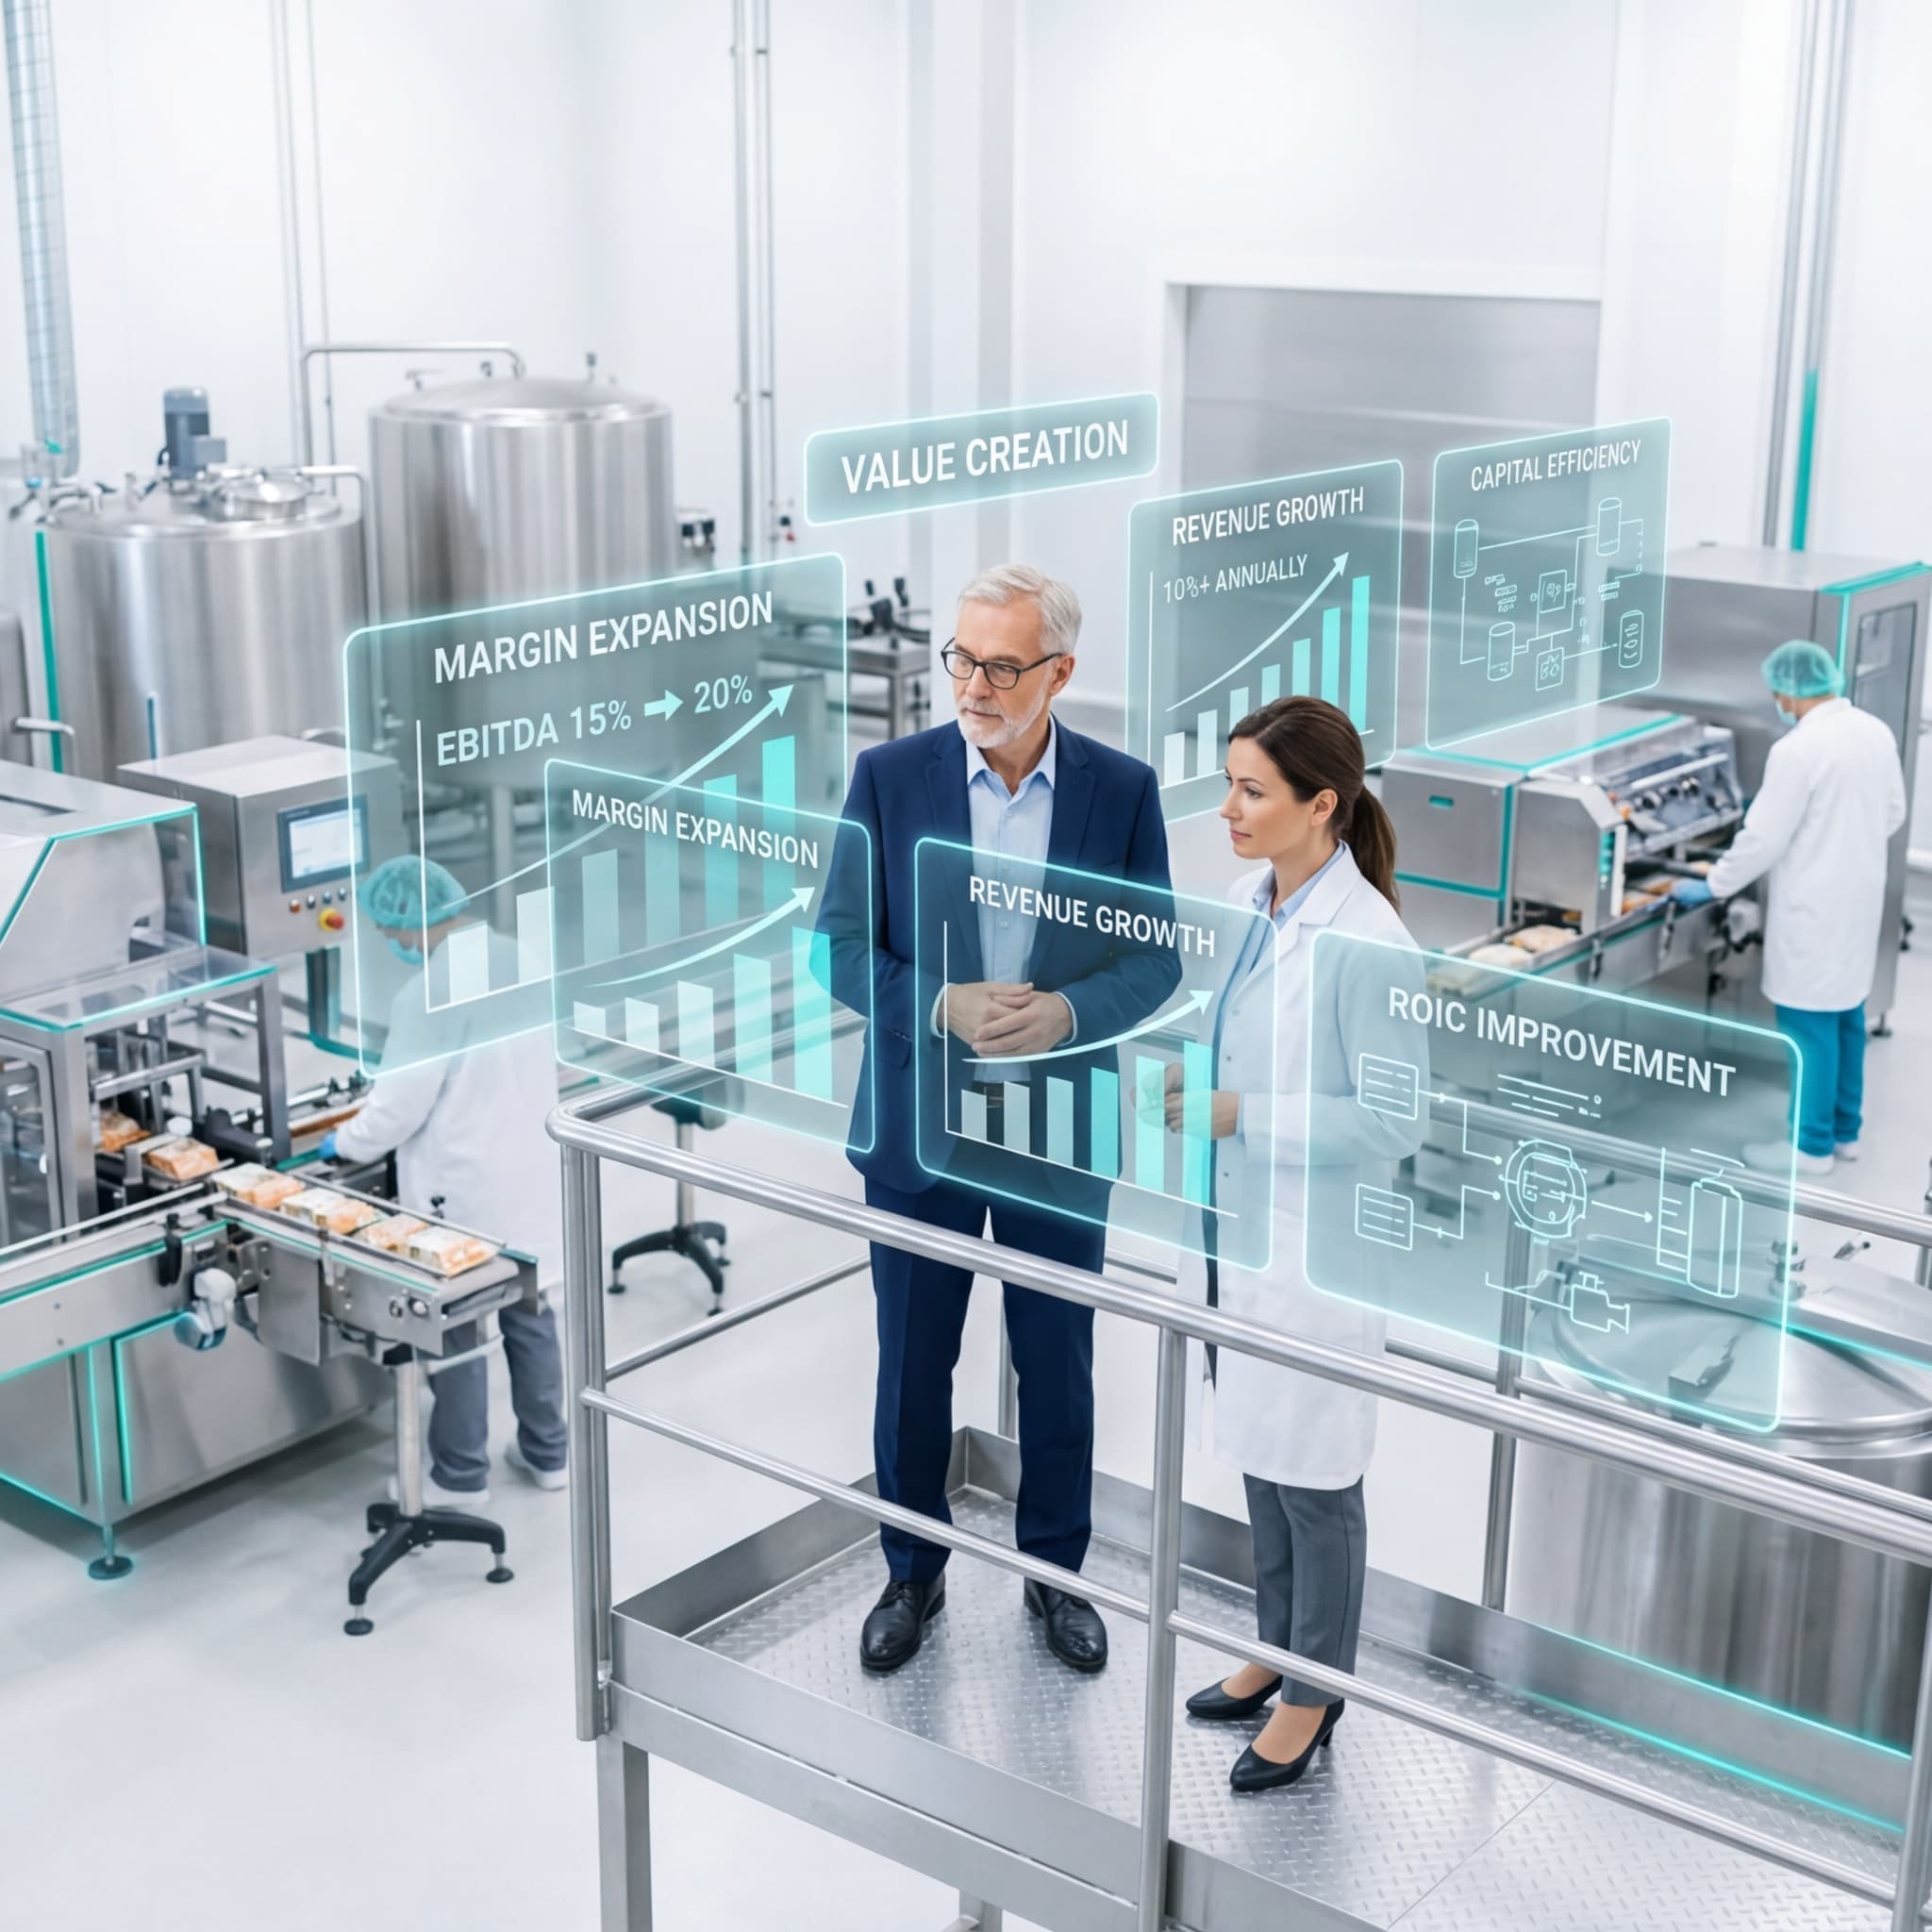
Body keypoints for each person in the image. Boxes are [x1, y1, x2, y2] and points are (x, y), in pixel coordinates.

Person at [821, 563, 1176, 1676]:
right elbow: (837, 943)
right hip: (918, 1134)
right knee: (910, 1368)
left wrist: (1069, 1012)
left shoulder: (1121, 791)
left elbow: (1154, 958)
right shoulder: (889, 778)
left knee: (1056, 1366)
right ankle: (909, 1571)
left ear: (1058, 673)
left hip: (1054, 1134)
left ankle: (1054, 1575)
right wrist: (938, 1002)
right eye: (962, 660)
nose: (972, 686)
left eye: (1001, 666)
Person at [1170, 696, 1420, 1794]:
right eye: (1227, 785)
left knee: (1314, 1480)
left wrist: (1243, 1115)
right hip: (1232, 1240)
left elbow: (1393, 1118)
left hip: (1310, 1260)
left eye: (1250, 790)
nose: (1227, 808)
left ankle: (1314, 1691)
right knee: (1259, 1460)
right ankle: (1274, 1648)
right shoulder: (1245, 904)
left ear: (1320, 805)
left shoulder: (1369, 944)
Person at [324, 856, 569, 1505]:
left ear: (411, 920)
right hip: (529, 1170)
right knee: (530, 1310)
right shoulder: (520, 957)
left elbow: (397, 1108)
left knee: (455, 1328)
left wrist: (342, 1144)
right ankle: (548, 1454)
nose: (394, 941)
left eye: (391, 931)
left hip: (463, 1189)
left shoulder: (427, 993)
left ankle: (460, 1475)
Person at [1671, 640, 1907, 1176]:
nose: (1777, 700)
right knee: (1847, 1015)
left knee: (1808, 1027)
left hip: (1813, 907)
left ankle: (1810, 1147)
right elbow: (1892, 812)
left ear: (1791, 692)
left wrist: (1713, 885)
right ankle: (1845, 1132)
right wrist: (1842, 837)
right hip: (1859, 897)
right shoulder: (1874, 731)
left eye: (1778, 692)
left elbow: (1762, 840)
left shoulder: (1797, 751)